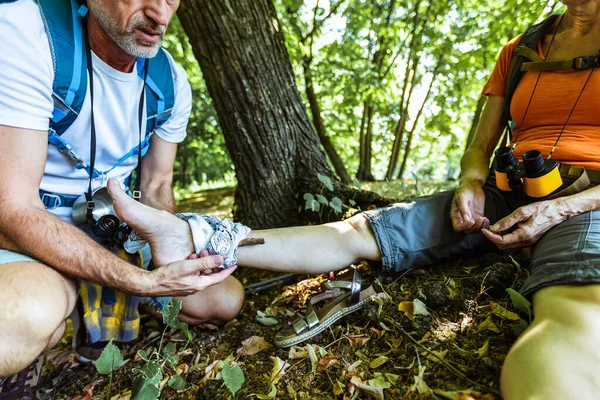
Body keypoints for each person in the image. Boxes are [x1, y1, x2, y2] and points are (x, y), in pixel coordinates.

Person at [96, 0, 600, 397]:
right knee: (358, 231)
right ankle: (196, 234)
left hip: (586, 204)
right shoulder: (523, 49)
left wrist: (564, 207)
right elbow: (479, 146)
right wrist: (470, 182)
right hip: (503, 194)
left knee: (570, 322)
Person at [0, 0, 244, 391]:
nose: (160, 16)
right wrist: (141, 282)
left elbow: (157, 186)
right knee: (22, 321)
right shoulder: (29, 32)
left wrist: (165, 249)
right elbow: (12, 208)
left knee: (220, 301)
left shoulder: (169, 83)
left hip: (116, 223)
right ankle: (58, 315)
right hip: (30, 227)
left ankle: (103, 307)